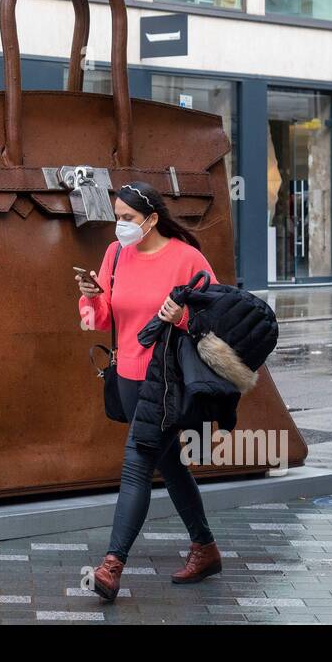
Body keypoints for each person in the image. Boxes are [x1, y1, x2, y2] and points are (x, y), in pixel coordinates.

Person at [75, 181, 222, 600]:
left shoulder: (186, 257)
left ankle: (112, 565)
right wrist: (90, 298)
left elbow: (214, 315)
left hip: (167, 380)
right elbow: (104, 316)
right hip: (127, 375)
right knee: (170, 462)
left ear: (152, 219)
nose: (119, 226)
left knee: (138, 459)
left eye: (127, 218)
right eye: (117, 218)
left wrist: (180, 316)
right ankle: (205, 547)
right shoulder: (115, 254)